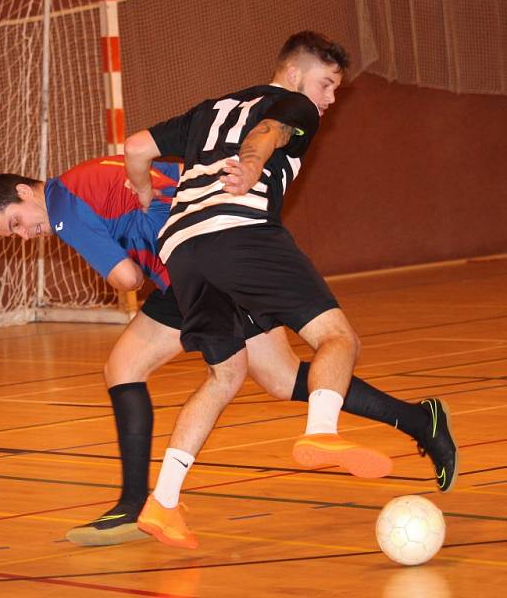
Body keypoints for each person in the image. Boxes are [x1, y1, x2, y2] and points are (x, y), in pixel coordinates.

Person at [0, 154, 457, 548]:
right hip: (199, 259)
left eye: (16, 223)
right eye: (11, 234)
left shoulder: (62, 207)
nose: (22, 235)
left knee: (181, 371)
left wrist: (111, 258)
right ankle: (421, 420)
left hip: (192, 270)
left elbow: (127, 279)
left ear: (24, 192)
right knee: (277, 377)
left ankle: (139, 503)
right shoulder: (84, 176)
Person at [122, 31, 459, 549]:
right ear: (297, 74)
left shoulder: (210, 108)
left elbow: (136, 148)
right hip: (240, 234)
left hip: (182, 250)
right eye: (327, 85)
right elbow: (269, 131)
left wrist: (145, 191)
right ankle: (322, 432)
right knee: (337, 338)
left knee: (229, 375)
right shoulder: (295, 104)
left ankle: (163, 502)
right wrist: (253, 165)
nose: (329, 100)